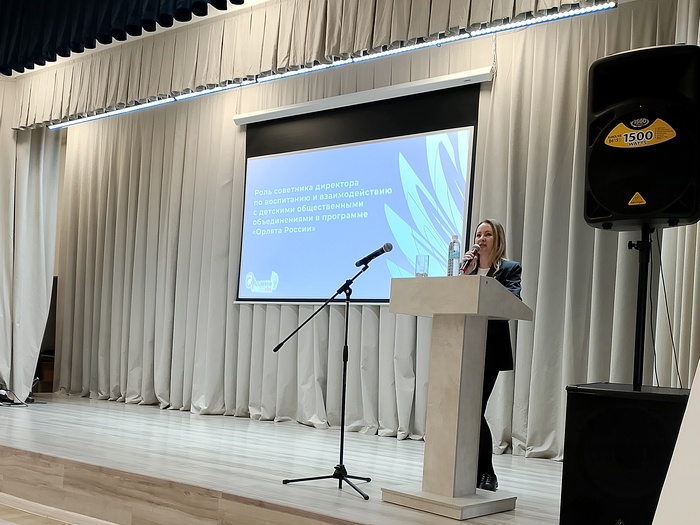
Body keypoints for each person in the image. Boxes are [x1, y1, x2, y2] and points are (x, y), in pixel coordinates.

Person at [459, 218, 522, 492]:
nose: (481, 239)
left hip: (490, 349)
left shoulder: (509, 268)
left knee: (476, 409)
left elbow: (513, 300)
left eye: (487, 234)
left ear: (498, 240)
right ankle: (469, 470)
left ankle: (487, 472)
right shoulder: (467, 269)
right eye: (478, 235)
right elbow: (455, 299)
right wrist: (465, 277)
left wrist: (483, 283)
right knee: (466, 410)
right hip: (463, 346)